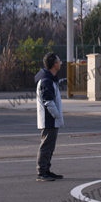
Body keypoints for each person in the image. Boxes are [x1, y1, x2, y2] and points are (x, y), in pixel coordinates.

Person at [35, 52, 64, 181]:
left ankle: (46, 169)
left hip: (51, 120)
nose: (61, 63)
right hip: (49, 120)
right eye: (59, 61)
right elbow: (49, 102)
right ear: (54, 65)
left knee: (50, 146)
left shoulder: (50, 79)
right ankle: (41, 172)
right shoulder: (46, 81)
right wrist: (57, 116)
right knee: (46, 145)